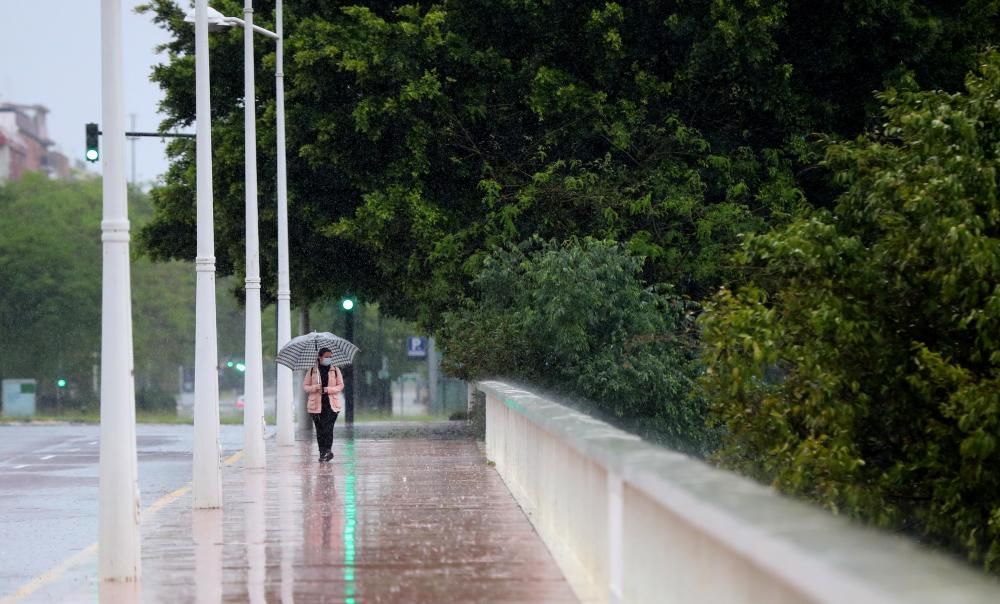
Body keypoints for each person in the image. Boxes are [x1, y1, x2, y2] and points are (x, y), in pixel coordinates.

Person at [303, 348, 344, 462]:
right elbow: (305, 386)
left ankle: (327, 450)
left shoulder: (335, 370)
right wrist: (314, 387)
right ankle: (322, 453)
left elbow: (340, 386)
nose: (329, 358)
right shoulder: (312, 370)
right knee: (320, 430)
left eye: (330, 356)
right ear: (320, 357)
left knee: (328, 428)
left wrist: (327, 389)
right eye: (326, 356)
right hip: (316, 406)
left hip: (331, 405)